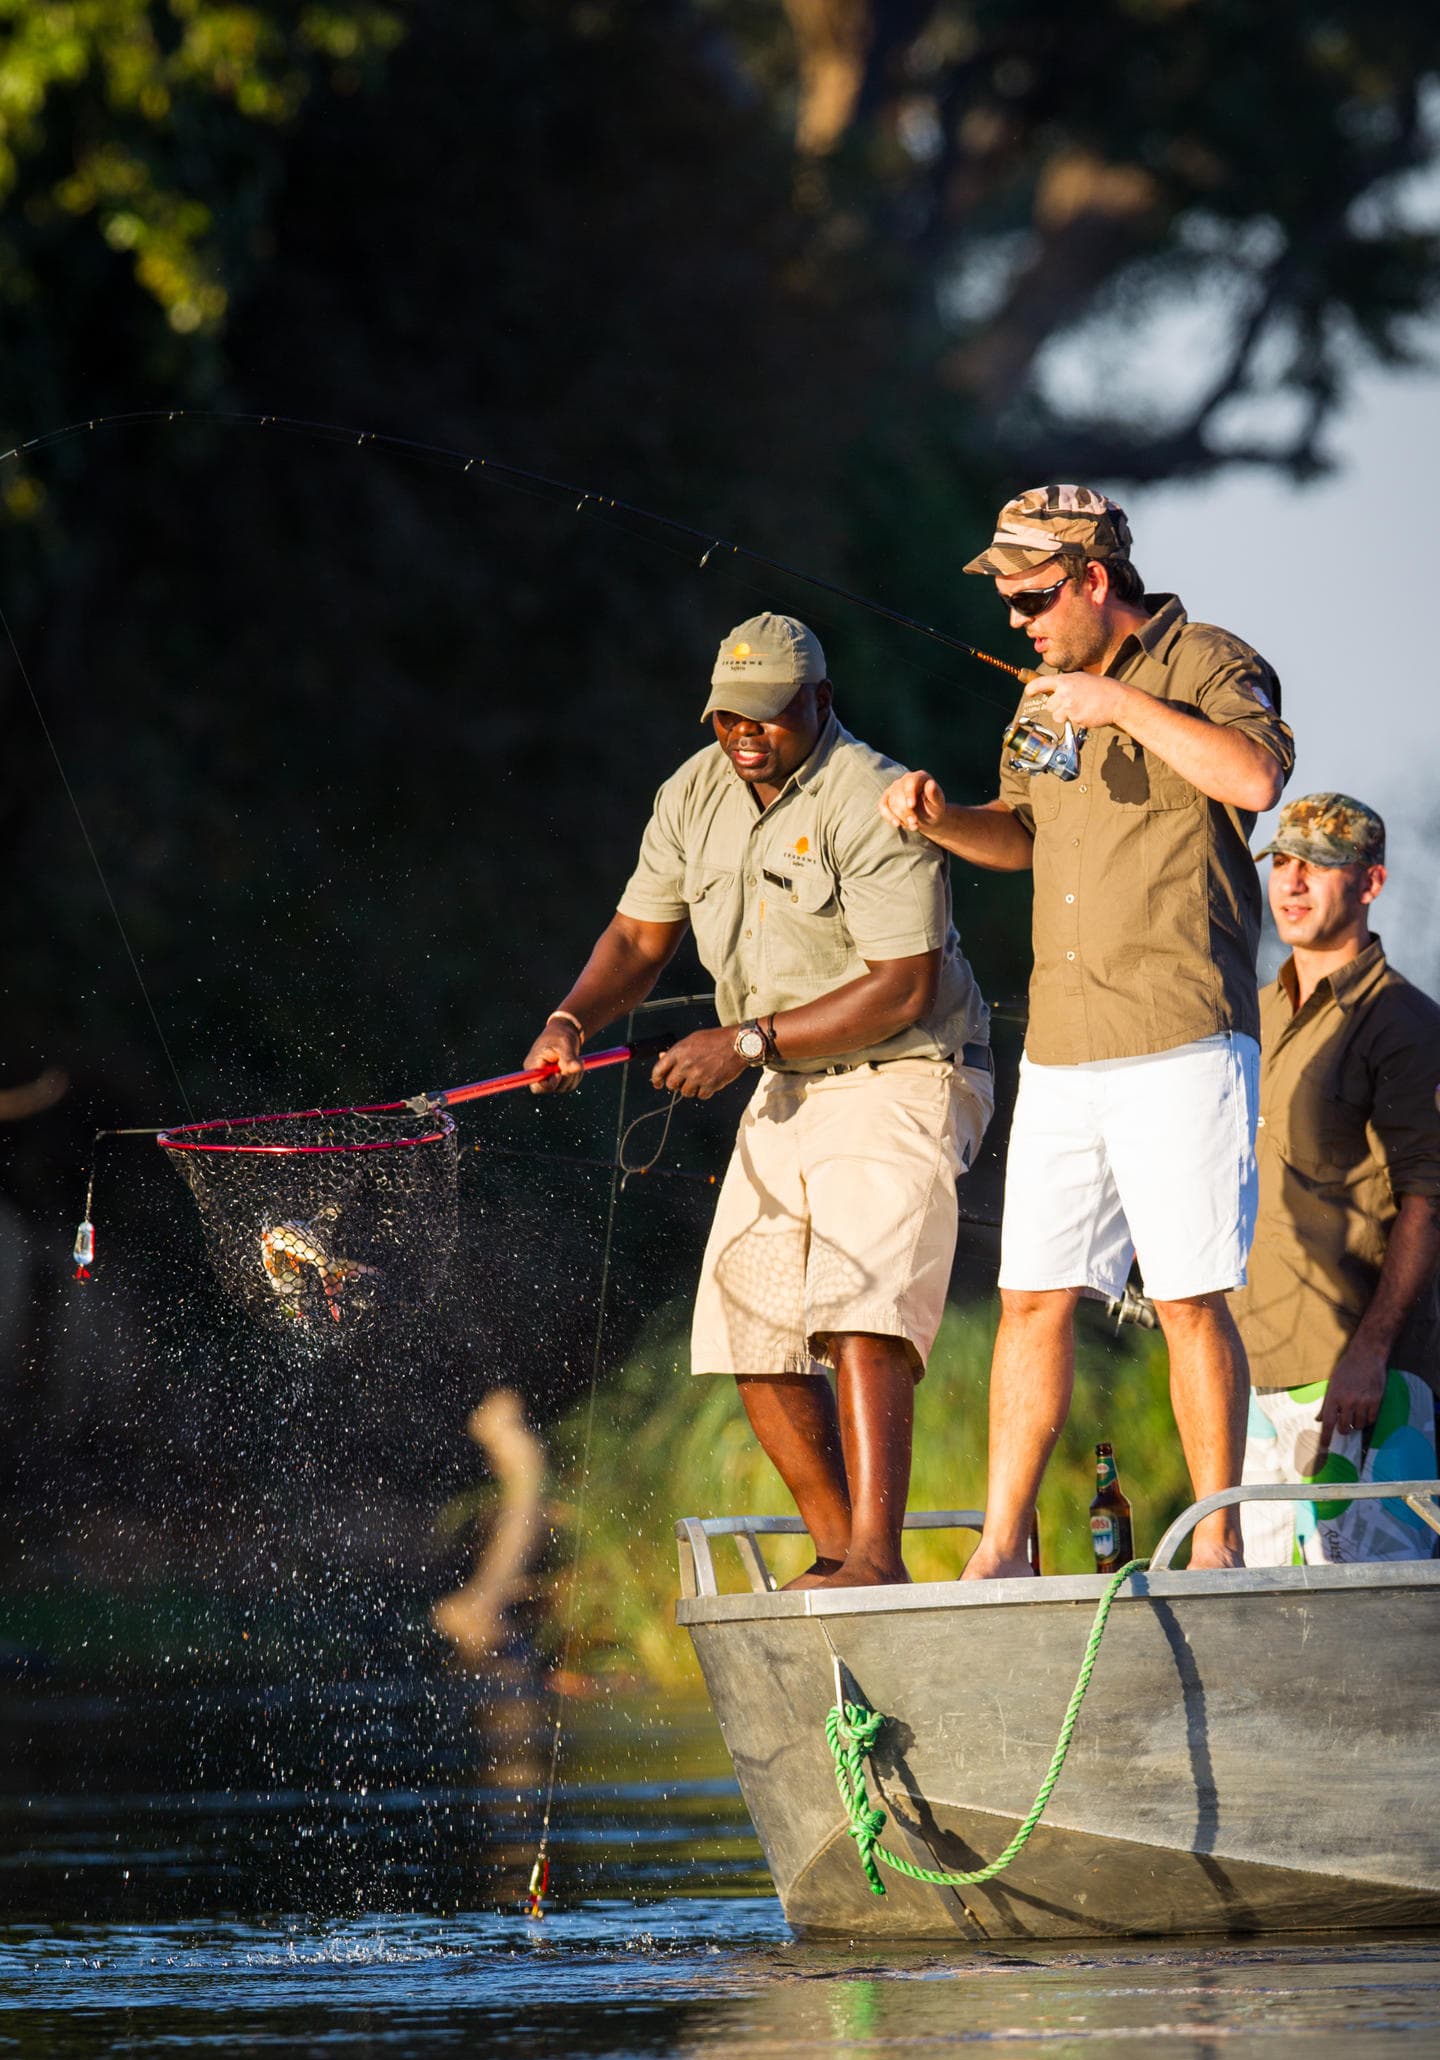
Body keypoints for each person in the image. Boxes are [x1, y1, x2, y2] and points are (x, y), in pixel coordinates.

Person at [525, 611, 992, 1589]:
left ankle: (875, 1562)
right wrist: (572, 1020)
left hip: (907, 1068)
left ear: (819, 702)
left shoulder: (875, 798)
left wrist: (743, 1042)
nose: (745, 737)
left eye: (768, 717)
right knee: (752, 1330)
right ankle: (835, 1554)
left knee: (861, 1311)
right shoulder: (692, 793)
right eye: (728, 717)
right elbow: (638, 940)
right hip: (786, 1082)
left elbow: (903, 985)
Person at [878, 484, 1294, 1576]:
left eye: (1028, 598)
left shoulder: (1207, 659)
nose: (1015, 622)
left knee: (1190, 1297)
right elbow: (1019, 835)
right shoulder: (1038, 697)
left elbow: (1253, 776)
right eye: (1007, 603)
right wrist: (940, 823)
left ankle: (1219, 1546)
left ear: (1093, 580)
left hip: (1182, 1032)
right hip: (1062, 1042)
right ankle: (1003, 1547)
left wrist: (1122, 709)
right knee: (1030, 1297)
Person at [1229, 793, 1440, 1566]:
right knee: (1260, 1633)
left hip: (1361, 1392)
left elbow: (1431, 1200)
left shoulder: (1406, 1024)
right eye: (1282, 863)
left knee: (1370, 1638)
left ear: (1370, 883)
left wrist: (1370, 1352)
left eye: (1318, 865)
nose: (1292, 882)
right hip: (1248, 1381)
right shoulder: (1251, 1014)